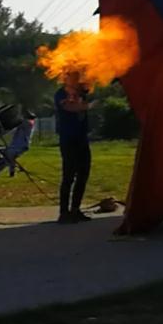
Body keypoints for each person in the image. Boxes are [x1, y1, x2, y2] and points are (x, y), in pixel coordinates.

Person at [54, 73, 93, 223]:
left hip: (82, 139)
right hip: (68, 139)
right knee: (69, 176)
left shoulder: (82, 93)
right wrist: (87, 106)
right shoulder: (61, 94)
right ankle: (64, 213)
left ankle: (76, 209)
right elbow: (71, 107)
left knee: (83, 174)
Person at [0, 110, 36, 178]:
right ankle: (10, 172)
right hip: (18, 144)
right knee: (9, 158)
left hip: (20, 145)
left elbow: (17, 121)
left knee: (7, 157)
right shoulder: (26, 123)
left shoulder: (27, 123)